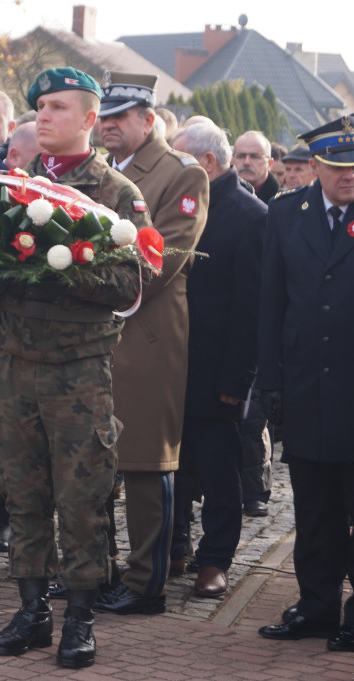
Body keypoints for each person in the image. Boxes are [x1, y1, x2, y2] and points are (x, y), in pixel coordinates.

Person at [0, 67, 148, 669]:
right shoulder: (8, 187)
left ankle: (80, 615)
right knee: (20, 492)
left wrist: (58, 264)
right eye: (39, 107)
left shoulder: (112, 195)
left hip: (76, 372)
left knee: (82, 498)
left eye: (56, 107)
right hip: (11, 365)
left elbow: (131, 282)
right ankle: (32, 609)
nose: (43, 115)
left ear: (87, 119)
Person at [93, 71, 208, 616]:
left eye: (120, 117)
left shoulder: (180, 175)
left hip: (147, 338)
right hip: (93, 336)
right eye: (104, 116)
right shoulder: (94, 172)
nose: (109, 126)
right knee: (90, 461)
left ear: (148, 119)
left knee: (143, 465)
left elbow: (160, 262)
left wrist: (78, 276)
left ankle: (146, 584)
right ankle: (95, 570)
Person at [257, 115, 354, 653]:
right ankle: (316, 606)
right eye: (338, 168)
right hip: (305, 385)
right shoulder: (284, 213)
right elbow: (271, 301)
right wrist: (269, 380)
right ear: (314, 167)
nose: (349, 177)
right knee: (314, 508)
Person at [170, 122, 265, 598]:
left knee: (218, 471)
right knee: (170, 467)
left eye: (180, 157)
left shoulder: (250, 214)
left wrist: (238, 377)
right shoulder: (176, 203)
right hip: (168, 362)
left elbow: (251, 309)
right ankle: (173, 546)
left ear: (207, 163)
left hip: (216, 371)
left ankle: (215, 560)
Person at [234, 131, 279, 204]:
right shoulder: (218, 197)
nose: (246, 162)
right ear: (232, 161)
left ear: (270, 164)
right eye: (240, 156)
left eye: (255, 156)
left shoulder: (283, 203)